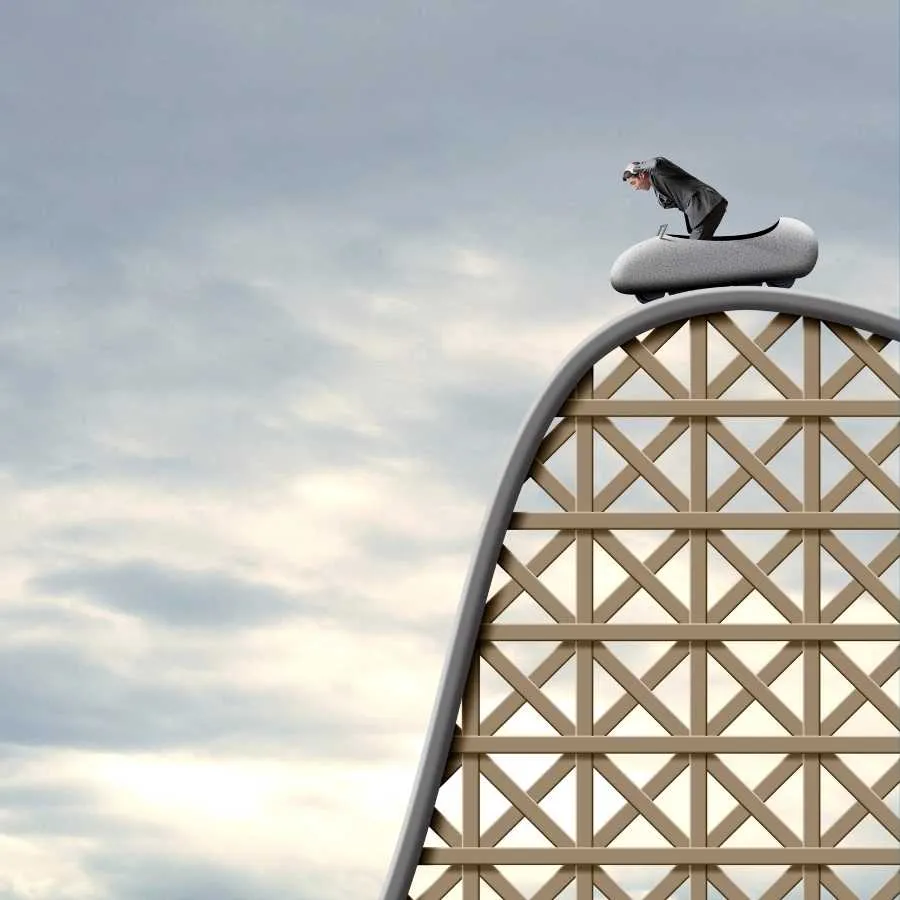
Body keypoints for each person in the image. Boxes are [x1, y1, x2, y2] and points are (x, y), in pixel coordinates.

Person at [623, 157, 728, 239]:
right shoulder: (657, 187)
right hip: (705, 208)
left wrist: (638, 167)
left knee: (693, 251)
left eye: (633, 183)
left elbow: (657, 162)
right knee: (696, 247)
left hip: (705, 205)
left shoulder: (659, 171)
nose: (635, 188)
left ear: (641, 175)